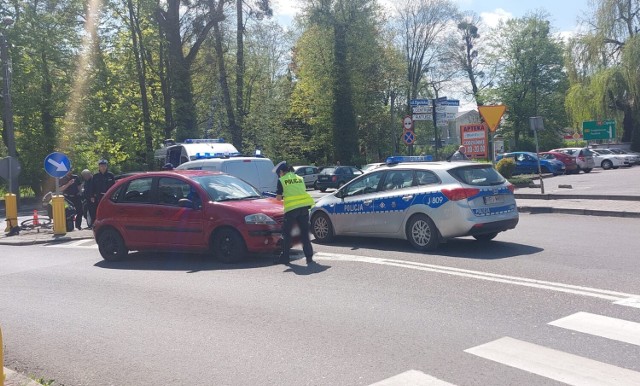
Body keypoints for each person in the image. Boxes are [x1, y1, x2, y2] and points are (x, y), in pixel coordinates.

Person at [273, 161, 315, 265]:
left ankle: (285, 258)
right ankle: (309, 257)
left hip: (292, 210)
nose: (279, 175)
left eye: (279, 173)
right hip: (304, 208)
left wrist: (279, 196)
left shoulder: (282, 180)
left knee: (287, 234)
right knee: (304, 233)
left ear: (282, 172)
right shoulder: (299, 178)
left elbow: (278, 198)